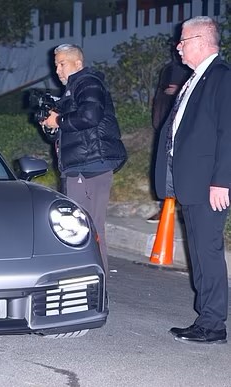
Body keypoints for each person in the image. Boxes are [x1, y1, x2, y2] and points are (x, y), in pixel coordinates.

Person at [154, 16, 231, 344]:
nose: (178, 46)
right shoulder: (197, 77)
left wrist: (222, 181)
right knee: (199, 251)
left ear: (201, 41)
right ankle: (206, 318)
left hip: (208, 184)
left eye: (183, 41)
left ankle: (213, 324)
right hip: (191, 181)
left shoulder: (222, 78)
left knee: (208, 251)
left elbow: (228, 133)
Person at [40, 43, 127, 271]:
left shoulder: (87, 82)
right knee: (78, 228)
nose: (57, 70)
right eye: (55, 64)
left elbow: (90, 116)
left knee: (88, 227)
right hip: (79, 164)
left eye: (62, 63)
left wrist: (57, 121)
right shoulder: (72, 90)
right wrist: (51, 126)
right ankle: (88, 282)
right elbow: (69, 129)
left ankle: (97, 286)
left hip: (91, 164)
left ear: (78, 63)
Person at [147, 48, 192, 223]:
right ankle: (165, 207)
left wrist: (179, 90)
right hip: (165, 124)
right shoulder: (168, 69)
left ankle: (181, 208)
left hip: (183, 129)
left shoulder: (193, 71)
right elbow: (160, 93)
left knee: (182, 169)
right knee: (164, 170)